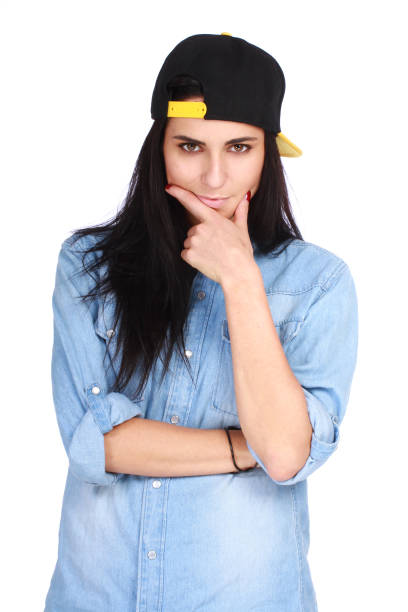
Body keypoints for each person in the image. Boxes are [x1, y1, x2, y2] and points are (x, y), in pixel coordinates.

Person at [44, 33, 359, 611]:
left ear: (268, 155)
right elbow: (96, 445)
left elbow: (287, 455)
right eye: (190, 146)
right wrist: (246, 448)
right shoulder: (88, 268)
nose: (214, 177)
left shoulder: (318, 284)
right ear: (158, 149)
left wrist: (240, 281)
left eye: (239, 148)